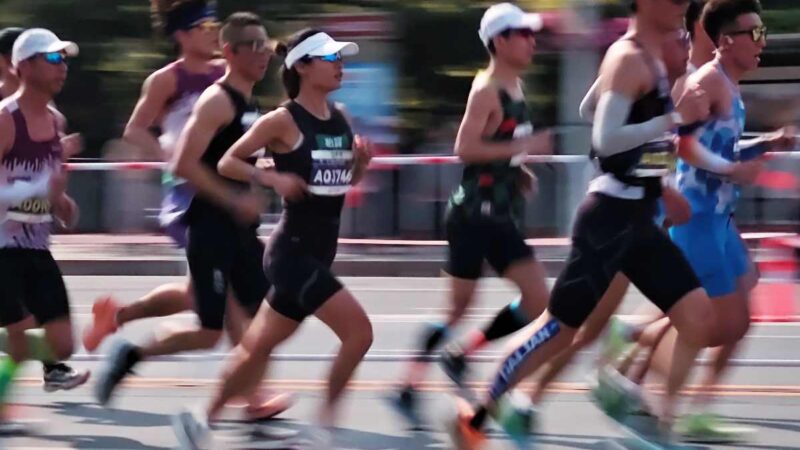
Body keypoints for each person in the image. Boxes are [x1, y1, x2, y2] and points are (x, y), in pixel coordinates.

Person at [448, 0, 728, 446]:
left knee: (698, 318)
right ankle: (478, 416)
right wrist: (673, 117)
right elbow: (605, 137)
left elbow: (589, 107)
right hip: (608, 221)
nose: (682, 9)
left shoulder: (651, 60)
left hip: (640, 216)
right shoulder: (628, 58)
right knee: (559, 331)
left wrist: (658, 180)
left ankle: (644, 420)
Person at [172, 28, 374, 448]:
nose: (340, 64)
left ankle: (198, 419)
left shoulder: (339, 118)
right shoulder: (282, 120)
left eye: (341, 57)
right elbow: (228, 162)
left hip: (319, 253)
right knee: (360, 333)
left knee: (256, 348)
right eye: (329, 57)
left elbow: (338, 184)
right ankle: (324, 429)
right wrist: (271, 178)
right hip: (291, 254)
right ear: (301, 66)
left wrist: (361, 166)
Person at [93, 12, 288, 423]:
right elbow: (174, 154)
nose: (262, 53)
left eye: (264, 44)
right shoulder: (195, 89)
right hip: (198, 209)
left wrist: (261, 173)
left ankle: (122, 320)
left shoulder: (245, 98)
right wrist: (206, 179)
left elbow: (236, 152)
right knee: (213, 326)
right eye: (251, 45)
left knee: (244, 313)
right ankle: (233, 400)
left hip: (235, 220)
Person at [392, 2, 553, 426]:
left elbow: (497, 148)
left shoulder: (515, 87)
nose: (532, 41)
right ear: (500, 41)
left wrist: (520, 173)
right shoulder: (487, 89)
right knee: (461, 308)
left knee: (536, 300)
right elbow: (465, 148)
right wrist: (522, 150)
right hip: (474, 216)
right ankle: (408, 384)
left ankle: (461, 354)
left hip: (498, 212)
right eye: (523, 34)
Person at [661, 0, 795, 440]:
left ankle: (688, 408)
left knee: (736, 321)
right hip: (696, 219)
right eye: (754, 34)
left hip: (719, 220)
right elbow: (682, 146)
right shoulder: (705, 85)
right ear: (724, 41)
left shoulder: (729, 87)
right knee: (703, 325)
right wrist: (733, 171)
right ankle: (661, 414)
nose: (763, 42)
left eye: (763, 33)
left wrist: (763, 143)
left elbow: (719, 150)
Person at [0, 26, 89, 394]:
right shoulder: (6, 119)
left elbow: (53, 176)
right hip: (1, 247)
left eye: (63, 59)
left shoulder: (57, 123)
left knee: (64, 345)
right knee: (22, 330)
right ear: (23, 66)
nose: (62, 66)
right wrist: (31, 192)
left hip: (36, 246)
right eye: (52, 58)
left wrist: (63, 203)